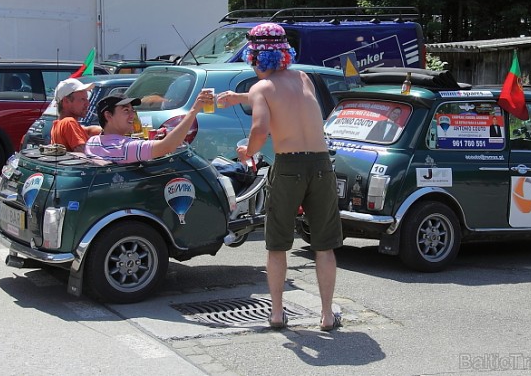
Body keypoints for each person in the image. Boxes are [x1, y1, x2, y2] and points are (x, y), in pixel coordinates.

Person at [229, 22, 343, 331]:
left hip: (289, 166)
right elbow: (288, 101)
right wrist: (239, 98)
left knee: (277, 245)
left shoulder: (260, 88)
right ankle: (327, 315)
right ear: (283, 54)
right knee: (324, 246)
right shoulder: (303, 78)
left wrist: (247, 153)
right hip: (320, 165)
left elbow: (259, 129)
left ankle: (277, 313)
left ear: (254, 57)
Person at [85, 90, 212, 163]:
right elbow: (167, 146)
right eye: (125, 111)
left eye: (132, 110)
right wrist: (194, 110)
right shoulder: (124, 147)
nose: (132, 116)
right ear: (108, 116)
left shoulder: (92, 142)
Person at [51, 78, 101, 152]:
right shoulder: (69, 122)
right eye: (82, 99)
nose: (88, 104)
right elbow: (84, 153)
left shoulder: (59, 125)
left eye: (87, 99)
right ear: (66, 101)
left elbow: (88, 130)